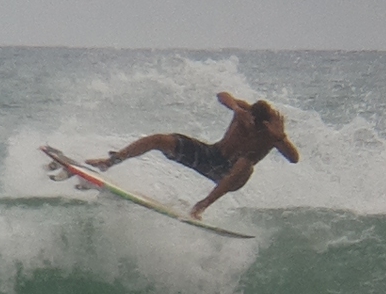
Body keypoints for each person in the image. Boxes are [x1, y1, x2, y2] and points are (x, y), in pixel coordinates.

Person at [87, 92, 299, 220]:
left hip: (230, 173)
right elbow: (222, 95)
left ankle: (201, 206)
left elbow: (294, 158)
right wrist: (235, 108)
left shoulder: (272, 134)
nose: (249, 127)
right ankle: (110, 161)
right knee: (160, 139)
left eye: (255, 126)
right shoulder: (242, 111)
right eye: (248, 121)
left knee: (246, 165)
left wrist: (281, 137)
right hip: (211, 155)